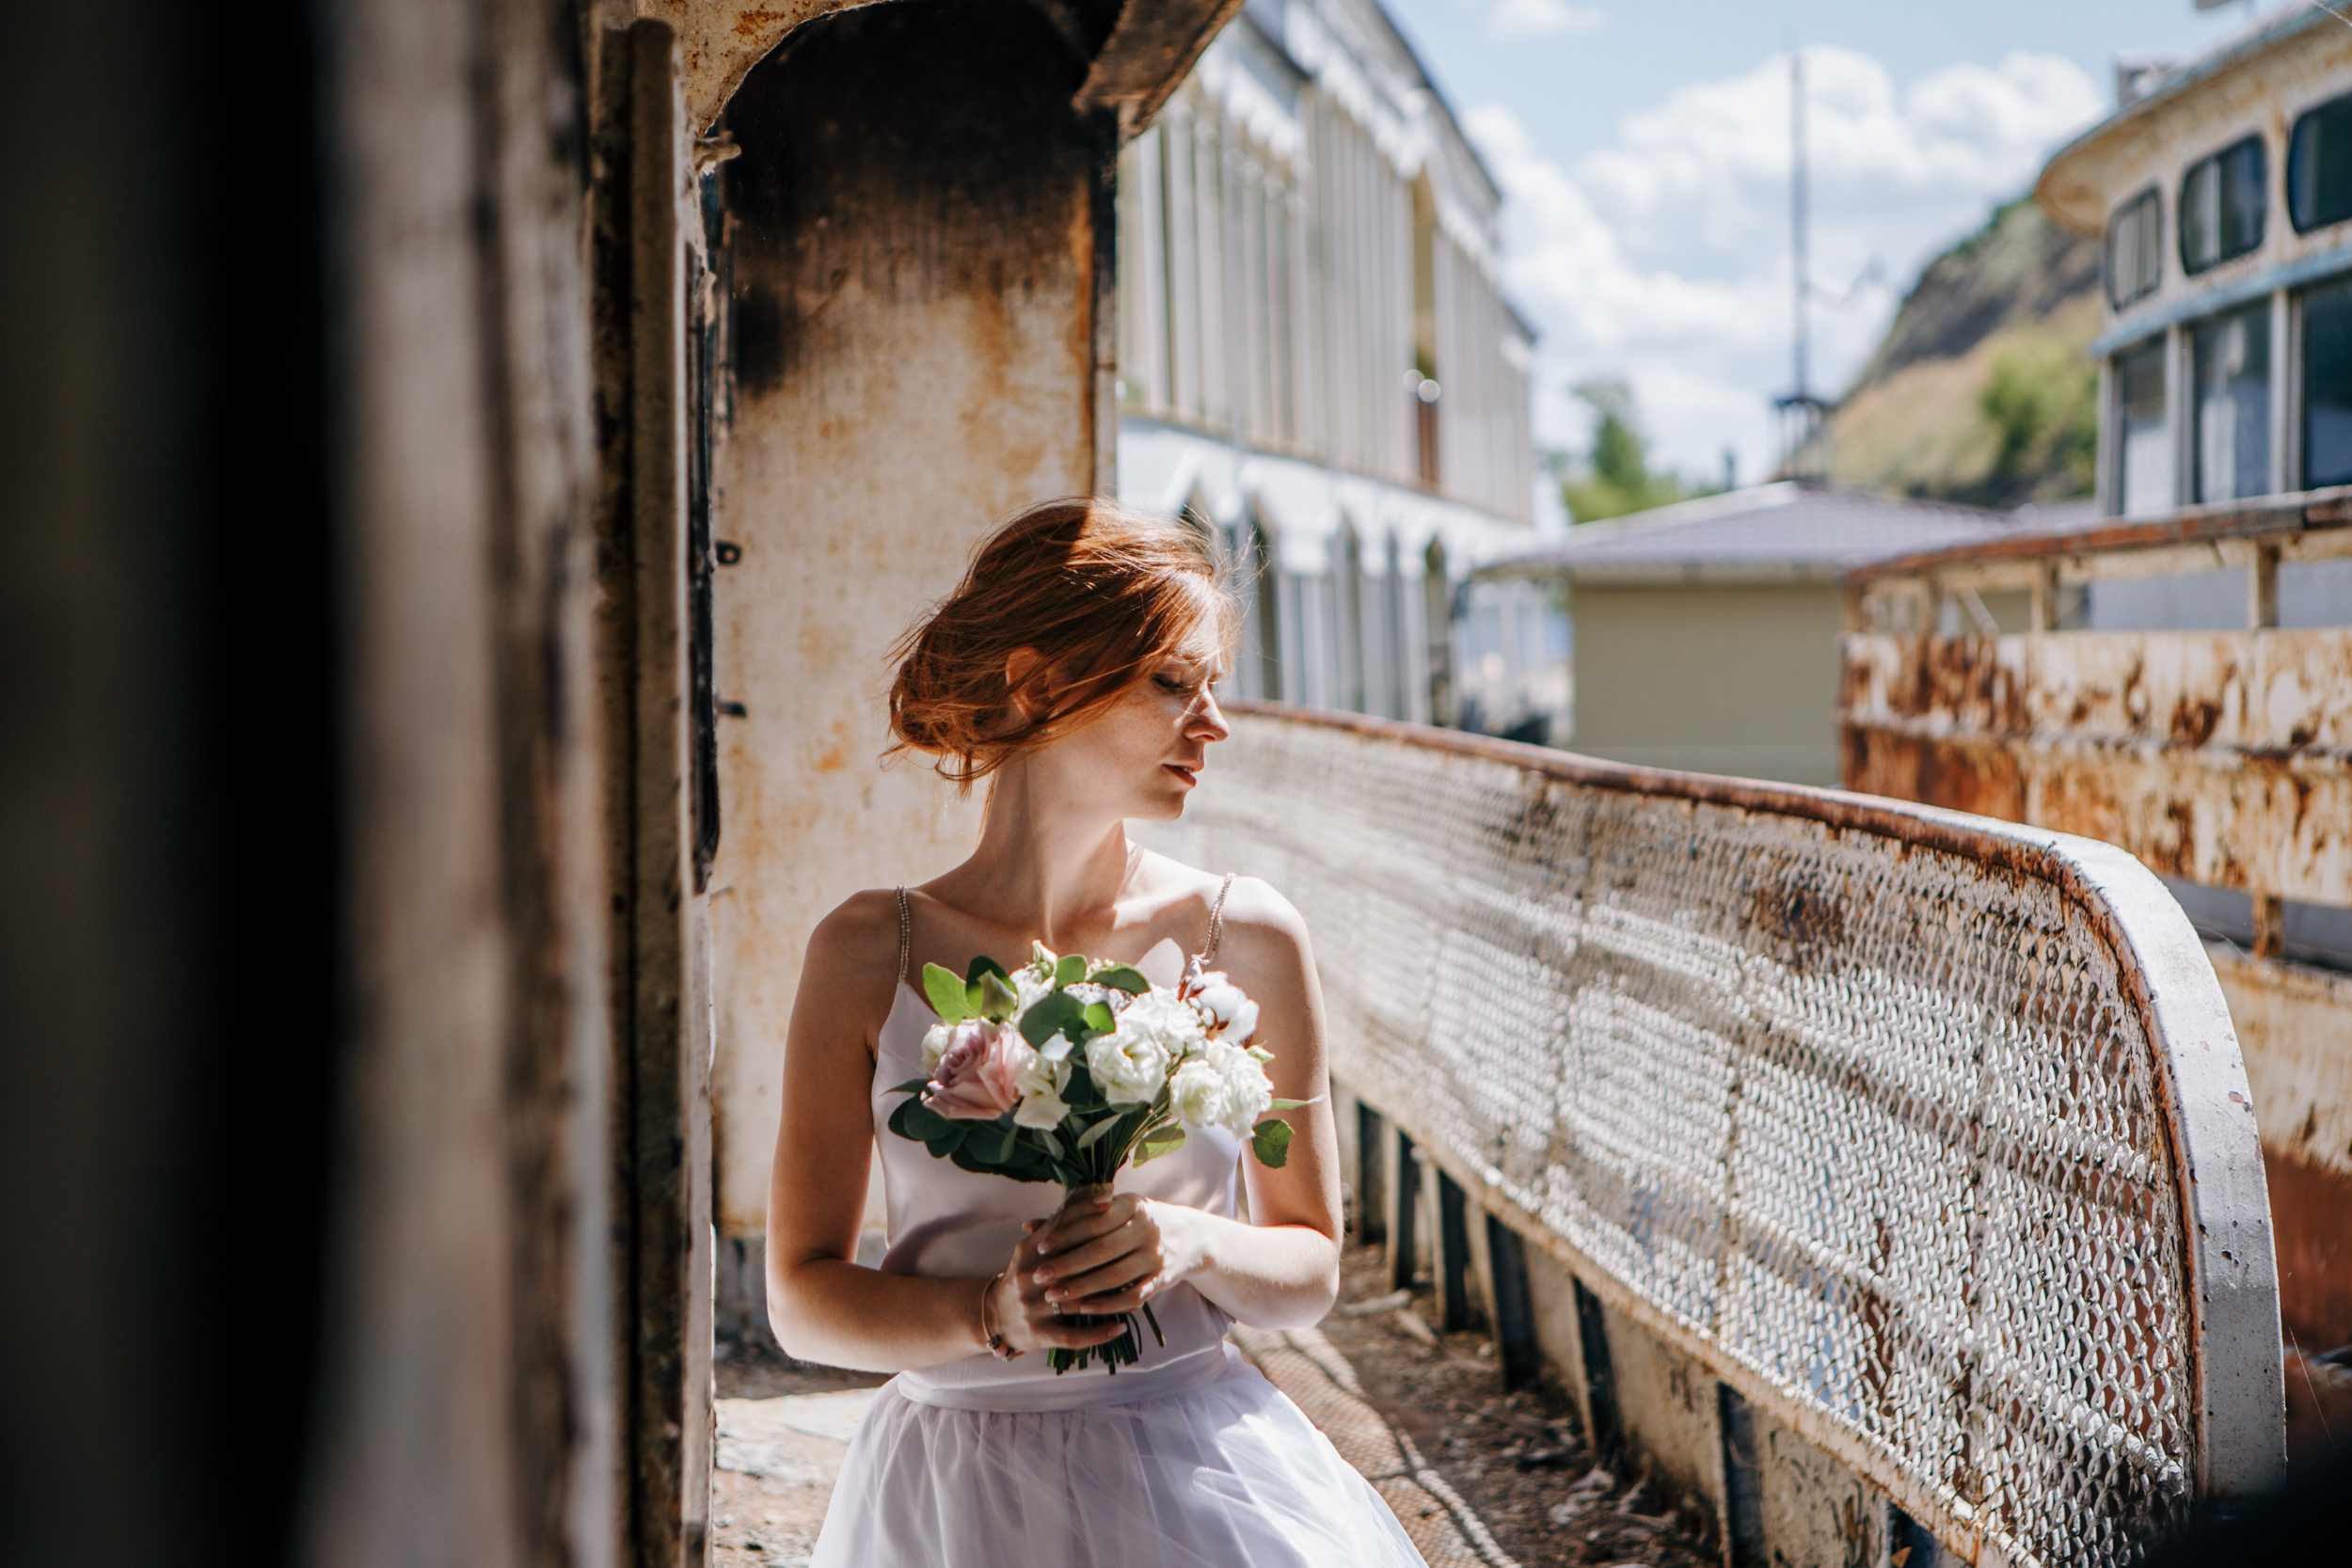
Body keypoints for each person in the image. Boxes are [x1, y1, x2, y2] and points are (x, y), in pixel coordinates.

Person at [766, 499, 1427, 1567]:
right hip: (951, 1498)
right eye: (1173, 682)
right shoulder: (862, 950)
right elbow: (801, 1298)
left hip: (1200, 1474)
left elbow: (1309, 1267)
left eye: (1213, 686)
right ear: (1034, 685)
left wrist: (1191, 1240)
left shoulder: (1245, 934)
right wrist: (990, 1308)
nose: (1212, 723)